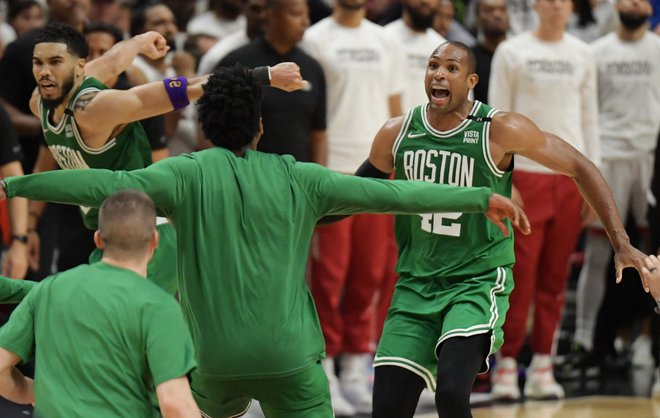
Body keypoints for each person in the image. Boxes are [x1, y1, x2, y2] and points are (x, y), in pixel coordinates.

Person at [0, 64, 529, 418]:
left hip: (213, 363)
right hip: (290, 360)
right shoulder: (303, 178)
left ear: (205, 129)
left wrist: (13, 184)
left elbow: (97, 184)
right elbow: (393, 193)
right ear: (258, 126)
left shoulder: (180, 175)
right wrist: (479, 198)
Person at [358, 41, 647, 418]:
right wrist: (299, 202)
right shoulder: (397, 132)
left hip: (475, 281)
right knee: (388, 409)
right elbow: (352, 194)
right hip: (415, 284)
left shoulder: (498, 129)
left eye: (451, 68)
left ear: (471, 80)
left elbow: (580, 166)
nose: (439, 74)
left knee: (450, 393)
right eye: (433, 66)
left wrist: (621, 242)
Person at [0, 190, 198, 417]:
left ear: (98, 239)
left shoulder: (50, 288)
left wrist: (32, 392)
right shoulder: (159, 307)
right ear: (155, 239)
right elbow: (175, 402)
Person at [488, 0, 600, 400]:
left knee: (555, 279)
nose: (555, 6)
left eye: (562, 1)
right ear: (535, 5)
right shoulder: (513, 51)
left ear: (571, 7)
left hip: (568, 179)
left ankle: (543, 366)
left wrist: (592, 181)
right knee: (519, 278)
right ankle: (505, 365)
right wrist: (504, 179)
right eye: (548, 0)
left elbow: (590, 119)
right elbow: (495, 120)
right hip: (527, 179)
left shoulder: (584, 54)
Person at [302, 0, 405, 412]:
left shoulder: (385, 40)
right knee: (329, 275)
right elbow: (310, 112)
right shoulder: (315, 38)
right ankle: (323, 363)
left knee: (372, 272)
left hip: (378, 173)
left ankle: (357, 365)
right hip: (333, 172)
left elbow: (395, 112)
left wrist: (399, 168)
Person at [573, 0, 660, 369]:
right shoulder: (595, 52)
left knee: (655, 253)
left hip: (652, 156)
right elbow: (584, 112)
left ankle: (646, 341)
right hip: (607, 156)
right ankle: (584, 338)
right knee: (598, 251)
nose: (635, 4)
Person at [218, 0, 327, 165]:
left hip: (296, 178)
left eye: (307, 15)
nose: (305, 21)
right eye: (296, 14)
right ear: (270, 15)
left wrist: (319, 178)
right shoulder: (236, 61)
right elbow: (212, 126)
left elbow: (318, 134)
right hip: (246, 175)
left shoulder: (313, 67)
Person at [470, 0, 509, 103]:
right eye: (489, 10)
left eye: (502, 10)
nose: (497, 15)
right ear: (477, 18)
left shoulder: (518, 56)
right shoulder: (469, 58)